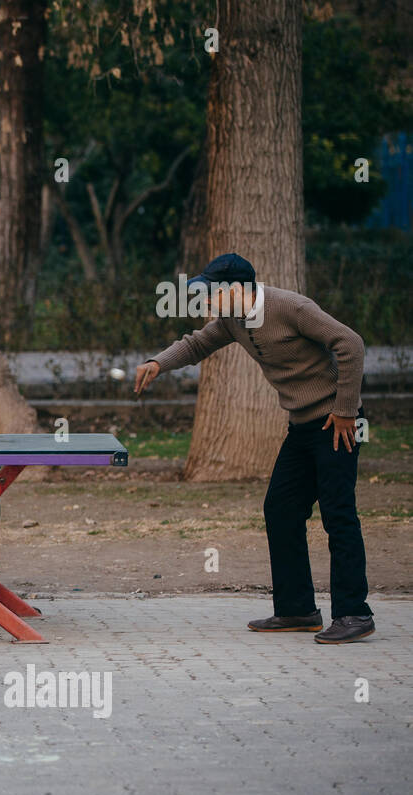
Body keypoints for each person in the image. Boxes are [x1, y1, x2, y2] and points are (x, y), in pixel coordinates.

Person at [135, 253, 373, 644]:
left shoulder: (290, 307)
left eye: (210, 294)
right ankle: (297, 609)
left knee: (338, 513)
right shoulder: (234, 320)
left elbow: (350, 343)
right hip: (301, 425)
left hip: (338, 423)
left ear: (234, 290)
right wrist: (157, 363)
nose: (205, 302)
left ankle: (354, 613)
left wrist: (346, 409)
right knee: (281, 509)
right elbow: (197, 344)